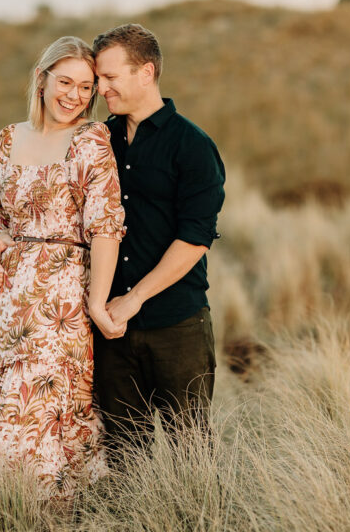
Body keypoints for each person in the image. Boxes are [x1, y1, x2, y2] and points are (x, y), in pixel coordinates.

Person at [0, 36, 126, 501]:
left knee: (38, 406)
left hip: (59, 301)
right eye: (64, 82)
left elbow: (107, 229)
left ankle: (42, 510)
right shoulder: (8, 138)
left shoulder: (91, 141)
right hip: (4, 301)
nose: (74, 95)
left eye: (86, 87)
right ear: (41, 78)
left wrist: (95, 302)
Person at [91, 23, 226, 463]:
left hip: (176, 325)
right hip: (111, 328)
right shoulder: (100, 142)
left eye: (110, 77)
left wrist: (135, 298)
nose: (101, 88)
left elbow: (194, 239)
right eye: (99, 79)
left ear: (145, 73)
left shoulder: (192, 146)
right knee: (124, 454)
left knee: (192, 452)